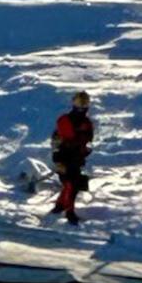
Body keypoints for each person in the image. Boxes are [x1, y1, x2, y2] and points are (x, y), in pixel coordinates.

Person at [50, 90, 94, 225]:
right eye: (80, 104)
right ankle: (69, 211)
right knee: (71, 184)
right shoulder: (65, 120)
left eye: (84, 104)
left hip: (77, 157)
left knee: (72, 184)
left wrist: (85, 150)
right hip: (64, 157)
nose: (82, 107)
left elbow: (88, 140)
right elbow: (59, 141)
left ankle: (60, 205)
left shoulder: (87, 123)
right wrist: (58, 159)